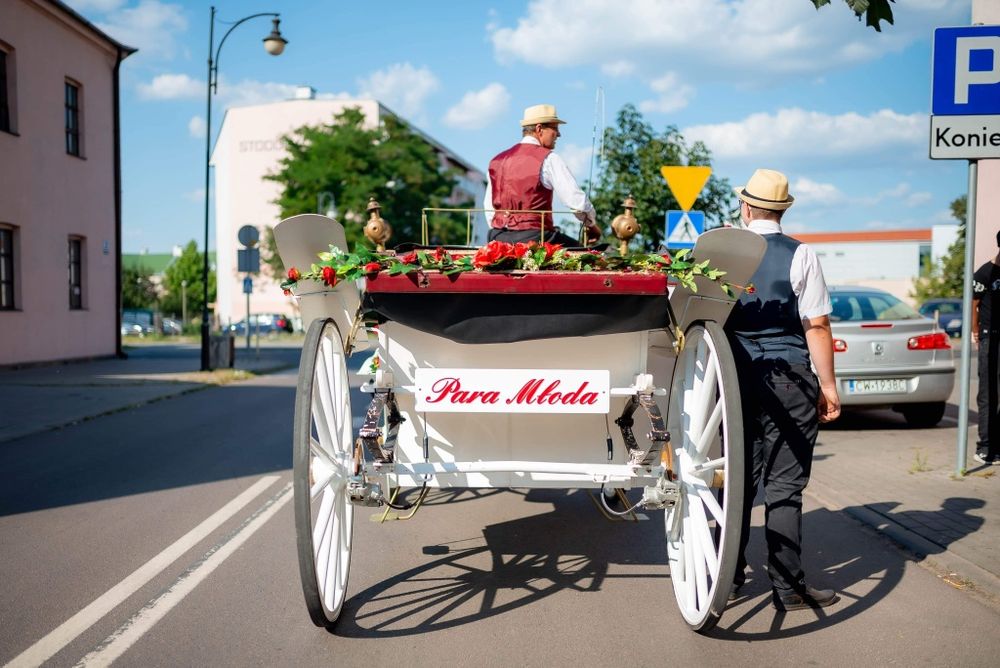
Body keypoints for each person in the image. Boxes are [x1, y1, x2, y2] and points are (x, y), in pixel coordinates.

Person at [724, 168, 842, 611]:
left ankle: (727, 578)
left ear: (747, 206)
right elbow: (817, 325)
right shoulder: (801, 254)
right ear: (782, 209)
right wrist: (827, 386)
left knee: (736, 480)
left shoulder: (724, 255)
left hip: (733, 379)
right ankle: (788, 588)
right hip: (789, 375)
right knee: (785, 484)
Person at [484, 104, 600, 247]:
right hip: (536, 237)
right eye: (555, 129)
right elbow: (576, 201)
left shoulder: (497, 161)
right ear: (539, 129)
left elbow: (489, 208)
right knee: (584, 254)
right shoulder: (549, 159)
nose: (558, 134)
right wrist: (591, 224)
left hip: (497, 236)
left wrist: (500, 230)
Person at [972, 230, 1000, 466]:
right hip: (989, 337)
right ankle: (985, 447)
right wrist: (974, 331)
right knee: (988, 393)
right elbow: (974, 304)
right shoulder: (985, 273)